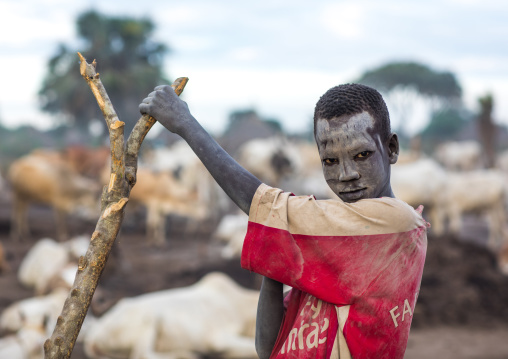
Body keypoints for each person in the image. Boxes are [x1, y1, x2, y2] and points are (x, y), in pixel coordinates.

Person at [139, 83, 428, 359]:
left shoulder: (396, 222)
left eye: (362, 155)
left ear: (391, 148)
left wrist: (186, 125)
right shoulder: (336, 244)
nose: (346, 174)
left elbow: (259, 203)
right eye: (330, 161)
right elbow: (267, 347)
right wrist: (280, 244)